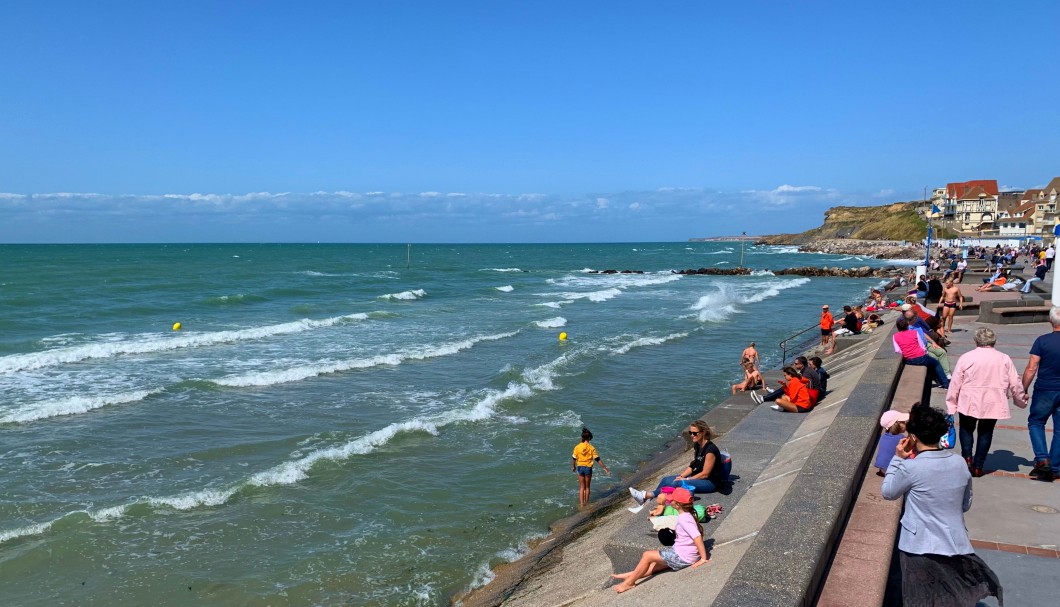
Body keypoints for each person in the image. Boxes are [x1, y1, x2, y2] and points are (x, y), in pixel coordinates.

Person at [881, 404, 1003, 607]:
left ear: (912, 436)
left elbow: (888, 492)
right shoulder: (959, 463)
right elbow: (965, 504)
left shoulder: (912, 466)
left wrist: (897, 458)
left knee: (919, 599)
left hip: (918, 547)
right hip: (954, 544)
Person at [945, 328, 1028, 478]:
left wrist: (952, 403)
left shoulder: (967, 357)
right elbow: (1015, 382)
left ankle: (967, 459)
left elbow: (956, 382)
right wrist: (1020, 400)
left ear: (976, 341)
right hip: (993, 400)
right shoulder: (1004, 358)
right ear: (993, 341)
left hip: (969, 399)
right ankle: (978, 466)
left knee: (966, 429)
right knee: (986, 432)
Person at [611, 487, 709, 592]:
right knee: (655, 565)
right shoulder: (686, 515)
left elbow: (697, 537)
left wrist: (703, 558)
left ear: (677, 505)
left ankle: (628, 583)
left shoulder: (685, 519)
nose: (669, 501)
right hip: (680, 552)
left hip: (683, 556)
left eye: (671, 500)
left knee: (647, 556)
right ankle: (630, 576)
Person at [629, 421, 728, 505]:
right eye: (690, 432)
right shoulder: (698, 445)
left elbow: (705, 474)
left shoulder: (710, 450)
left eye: (695, 433)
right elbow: (693, 465)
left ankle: (647, 495)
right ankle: (650, 500)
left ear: (703, 433)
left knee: (677, 483)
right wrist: (681, 476)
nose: (692, 435)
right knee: (666, 480)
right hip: (699, 477)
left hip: (710, 483)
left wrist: (686, 479)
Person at [1021, 306, 1060, 482]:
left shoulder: (1042, 341)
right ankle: (1055, 466)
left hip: (1045, 388)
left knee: (1036, 422)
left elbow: (1031, 368)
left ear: (1051, 321)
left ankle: (1042, 460)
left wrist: (1023, 388)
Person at [893, 318, 949, 388]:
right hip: (921, 357)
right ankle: (945, 384)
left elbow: (898, 350)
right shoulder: (914, 332)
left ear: (898, 327)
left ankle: (939, 382)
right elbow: (922, 345)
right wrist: (925, 353)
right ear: (907, 325)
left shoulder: (895, 336)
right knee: (936, 363)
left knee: (931, 365)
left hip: (909, 360)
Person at [572, 427, 611, 505]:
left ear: (582, 437)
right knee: (587, 487)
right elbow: (597, 459)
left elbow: (574, 458)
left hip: (580, 467)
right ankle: (586, 502)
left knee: (581, 487)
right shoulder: (591, 448)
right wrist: (605, 468)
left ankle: (582, 504)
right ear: (589, 438)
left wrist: (574, 467)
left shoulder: (577, 447)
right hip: (588, 468)